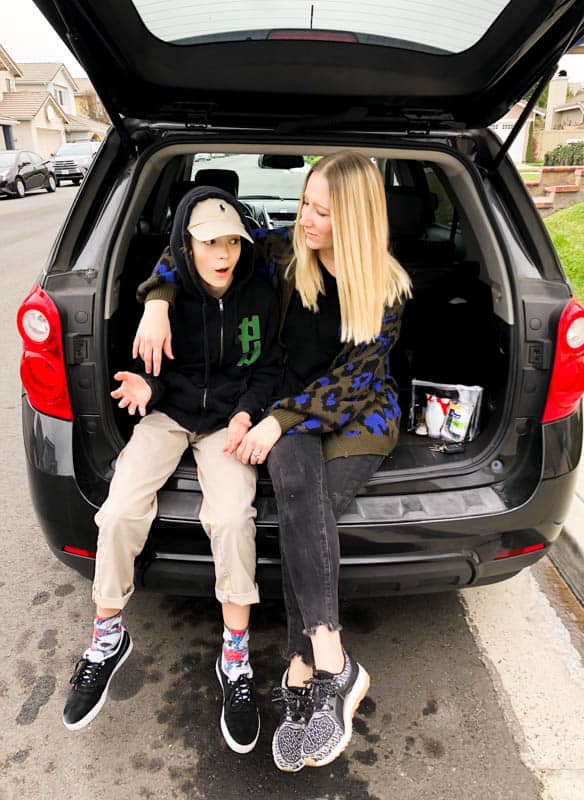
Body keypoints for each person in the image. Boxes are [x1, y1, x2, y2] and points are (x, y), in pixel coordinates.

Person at [134, 151, 412, 771]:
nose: (303, 218)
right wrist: (156, 299)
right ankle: (328, 663)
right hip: (285, 403)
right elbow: (195, 246)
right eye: (304, 203)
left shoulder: (388, 288)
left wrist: (275, 421)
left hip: (355, 411)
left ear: (358, 220)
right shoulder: (286, 249)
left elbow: (348, 387)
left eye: (320, 210)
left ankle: (303, 664)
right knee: (294, 489)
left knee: (306, 508)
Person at [62, 187, 281, 757]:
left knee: (232, 518)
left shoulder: (260, 289)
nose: (223, 253)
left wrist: (245, 413)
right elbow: (152, 368)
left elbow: (269, 369)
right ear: (187, 245)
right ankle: (107, 639)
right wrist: (144, 386)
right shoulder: (168, 292)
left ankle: (234, 656)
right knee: (118, 511)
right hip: (168, 412)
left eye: (232, 240)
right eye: (210, 242)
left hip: (227, 423)